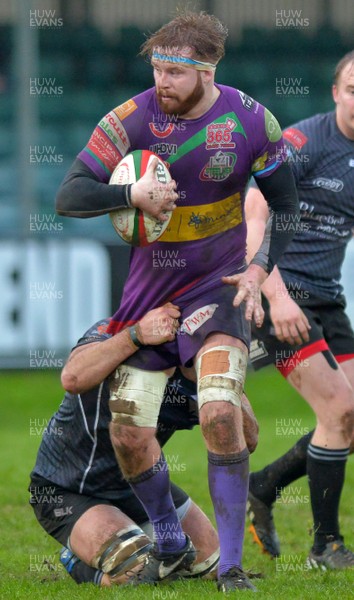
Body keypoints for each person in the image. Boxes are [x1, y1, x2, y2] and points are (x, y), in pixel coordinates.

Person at [55, 10, 299, 592]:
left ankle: (233, 567)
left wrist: (260, 267)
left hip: (219, 288)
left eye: (174, 72)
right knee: (128, 433)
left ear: (209, 70)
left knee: (217, 411)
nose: (161, 81)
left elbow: (286, 205)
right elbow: (69, 195)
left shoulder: (251, 122)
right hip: (149, 299)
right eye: (157, 69)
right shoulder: (132, 118)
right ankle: (167, 538)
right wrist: (129, 193)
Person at [245, 50, 354, 570]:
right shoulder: (306, 141)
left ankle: (263, 486)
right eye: (352, 89)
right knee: (339, 412)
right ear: (335, 93)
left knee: (353, 420)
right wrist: (276, 294)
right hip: (285, 294)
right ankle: (325, 547)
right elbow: (255, 205)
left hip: (328, 298)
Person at [29, 303, 222, 586]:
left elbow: (249, 435)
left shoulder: (197, 358)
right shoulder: (114, 330)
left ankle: (125, 535)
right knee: (138, 571)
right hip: (69, 487)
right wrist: (135, 336)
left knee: (209, 565)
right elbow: (72, 377)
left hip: (137, 484)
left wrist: (217, 380)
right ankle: (78, 563)